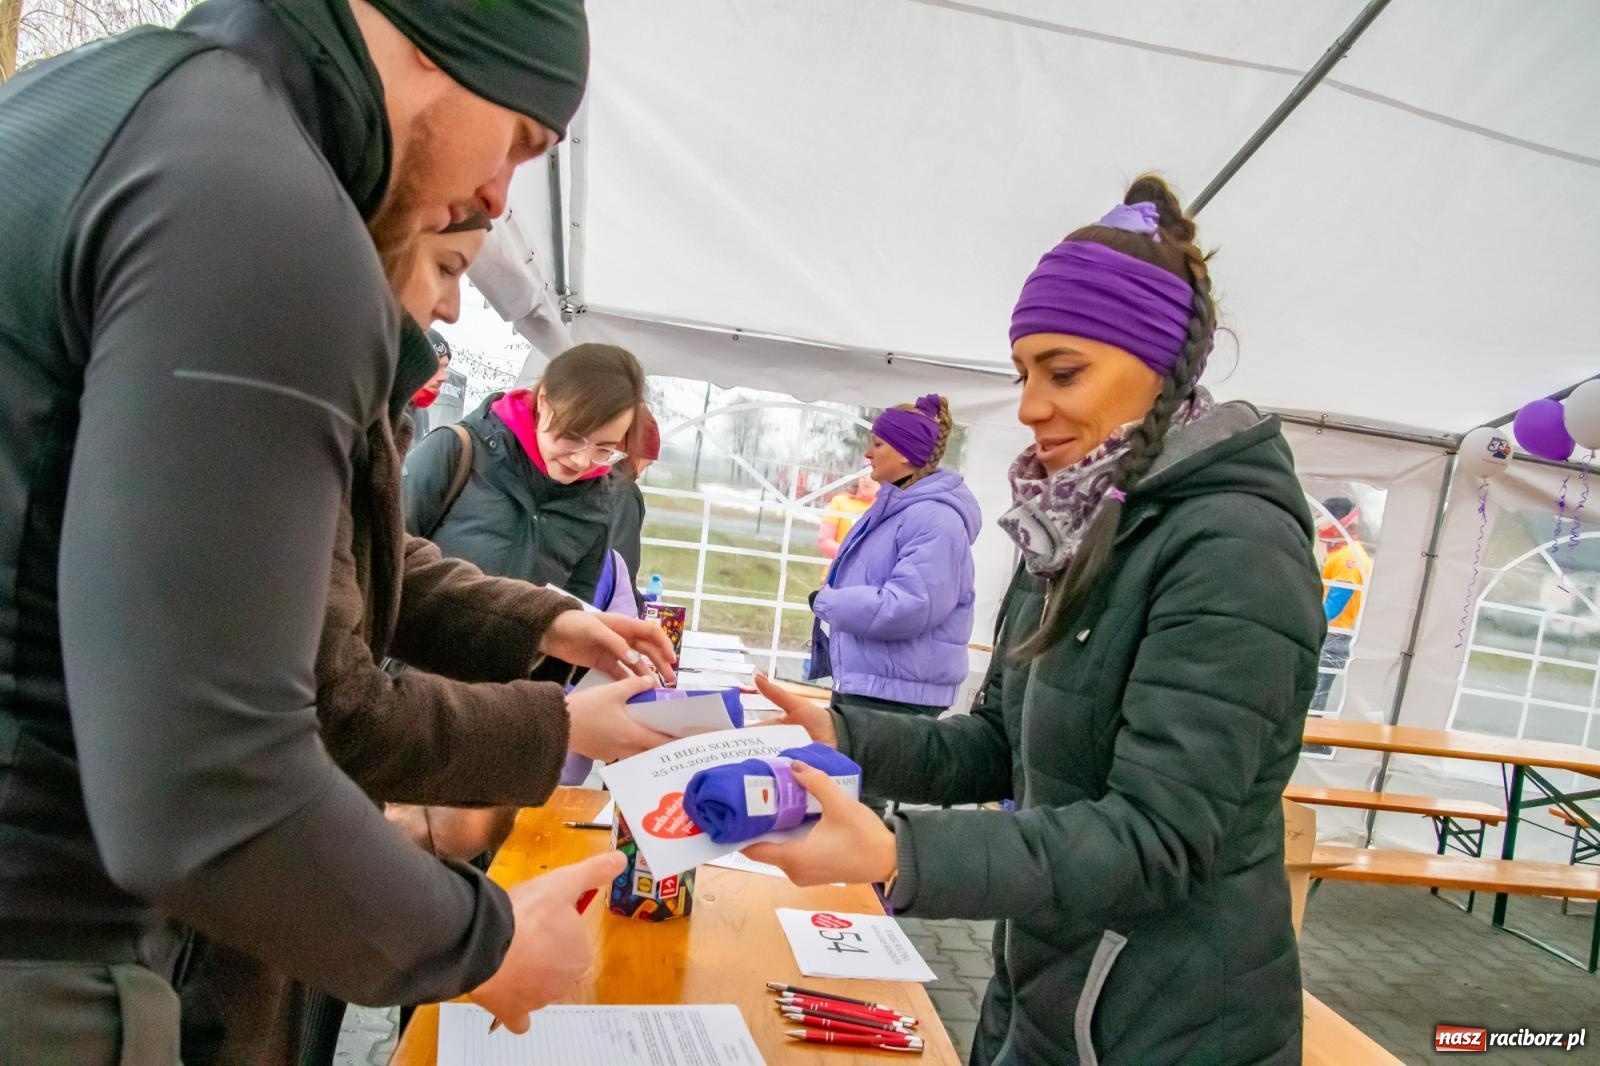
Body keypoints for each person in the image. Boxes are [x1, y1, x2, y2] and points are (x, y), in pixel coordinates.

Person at [0, 0, 612, 1058]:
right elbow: (212, 787)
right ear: (441, 38)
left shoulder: (94, 102)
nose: (494, 193)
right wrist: (488, 943)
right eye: (519, 139)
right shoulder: (260, 203)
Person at [746, 178, 1325, 1065]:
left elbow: (1159, 837)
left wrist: (901, 852)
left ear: (1162, 365)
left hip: (1165, 1021)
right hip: (1050, 984)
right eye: (1022, 374)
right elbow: (995, 744)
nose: (1028, 407)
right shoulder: (1072, 524)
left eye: (1064, 372)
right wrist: (839, 727)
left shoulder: (1235, 547)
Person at [176, 216, 677, 1065]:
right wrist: (556, 730)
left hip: (328, 809)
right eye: (445, 267)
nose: (450, 305)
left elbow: (391, 562)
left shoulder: (347, 403)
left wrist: (552, 622)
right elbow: (342, 700)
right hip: (234, 867)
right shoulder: (282, 413)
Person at [403, 344, 644, 607]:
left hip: (519, 650)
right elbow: (386, 558)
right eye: (572, 437)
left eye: (605, 448)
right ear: (543, 401)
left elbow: (574, 611)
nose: (582, 460)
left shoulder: (597, 504)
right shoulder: (457, 450)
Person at [808, 394, 980, 717]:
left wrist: (828, 602)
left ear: (905, 453)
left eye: (877, 444)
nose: (867, 453)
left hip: (895, 697)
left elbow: (910, 606)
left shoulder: (935, 520)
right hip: (876, 685)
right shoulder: (897, 511)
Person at [1313, 496, 1370, 712]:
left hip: (1331, 636)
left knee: (1312, 705)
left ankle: (1315, 744)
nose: (1318, 523)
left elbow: (1335, 605)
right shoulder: (1340, 554)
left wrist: (1306, 625)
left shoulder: (1349, 558)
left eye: (1322, 518)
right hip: (1328, 633)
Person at [609, 405, 662, 616]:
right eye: (646, 464)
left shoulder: (591, 483)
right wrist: (641, 608)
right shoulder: (625, 492)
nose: (640, 473)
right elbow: (620, 566)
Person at [816, 473, 879, 579]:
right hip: (836, 575)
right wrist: (852, 553)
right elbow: (824, 542)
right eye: (864, 475)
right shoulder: (840, 502)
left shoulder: (883, 507)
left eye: (872, 475)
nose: (867, 480)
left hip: (868, 581)